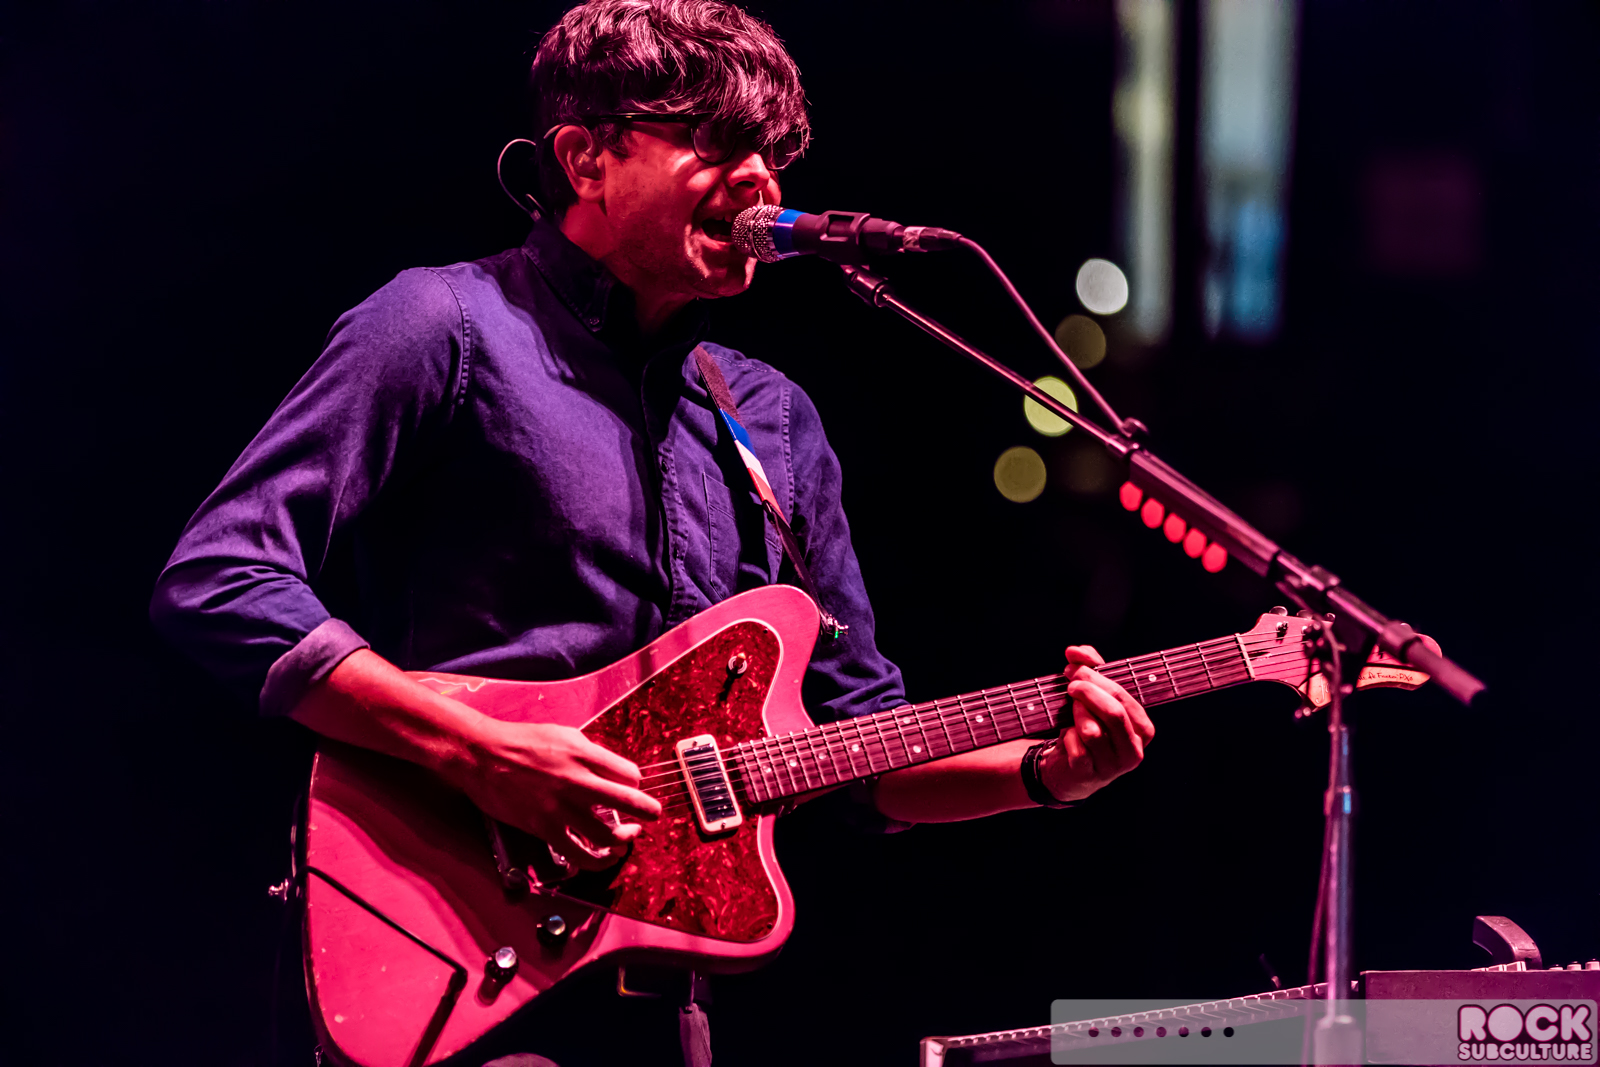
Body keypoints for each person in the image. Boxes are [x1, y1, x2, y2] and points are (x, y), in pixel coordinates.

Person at [150, 1, 1155, 1063]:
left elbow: (857, 747)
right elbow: (221, 574)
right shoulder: (441, 327)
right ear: (585, 158)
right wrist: (478, 749)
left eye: (775, 154)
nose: (761, 181)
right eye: (716, 142)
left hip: (663, 994)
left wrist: (1046, 773)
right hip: (442, 945)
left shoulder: (770, 420)